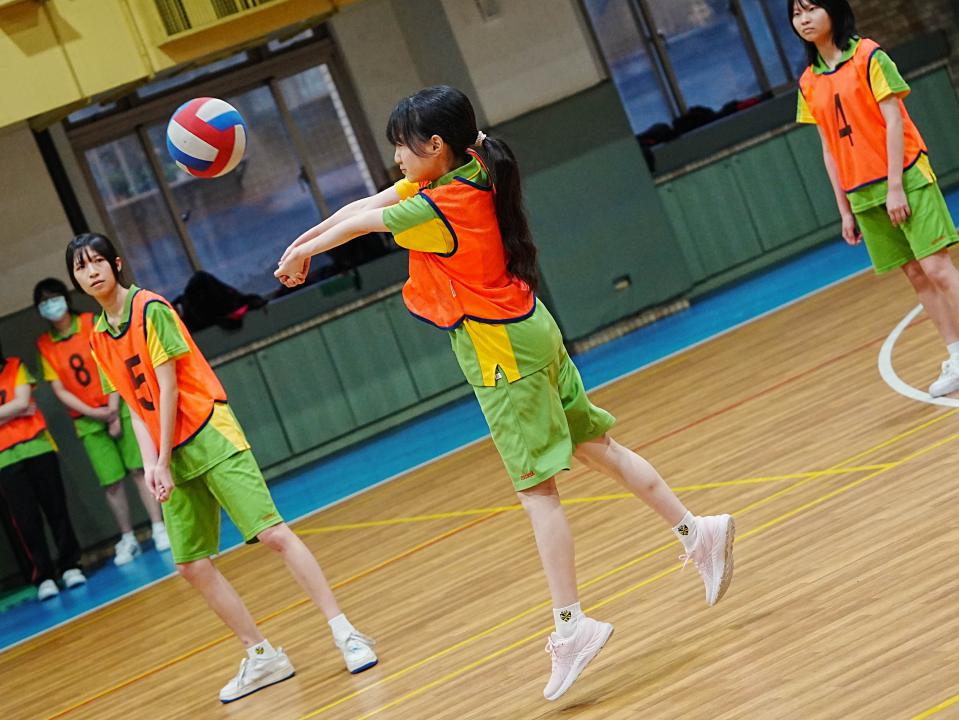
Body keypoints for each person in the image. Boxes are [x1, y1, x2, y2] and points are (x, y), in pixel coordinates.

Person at [276, 85, 735, 702]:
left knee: (537, 491)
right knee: (598, 447)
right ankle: (698, 532)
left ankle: (572, 626)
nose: (397, 160)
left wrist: (305, 253)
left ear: (433, 146)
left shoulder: (436, 208)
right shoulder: (476, 164)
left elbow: (363, 221)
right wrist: (299, 246)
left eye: (402, 148)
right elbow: (367, 203)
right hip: (532, 327)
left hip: (500, 352)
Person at [66, 233, 377, 704]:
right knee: (190, 565)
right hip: (169, 451)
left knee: (272, 533)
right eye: (80, 267)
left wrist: (161, 460)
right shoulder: (96, 336)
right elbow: (134, 405)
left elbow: (168, 388)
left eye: (96, 262)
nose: (90, 272)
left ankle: (345, 632)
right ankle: (262, 655)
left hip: (207, 430)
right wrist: (152, 465)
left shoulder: (150, 309)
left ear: (116, 264)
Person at [792, 0, 959, 396]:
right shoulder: (808, 82)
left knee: (937, 268)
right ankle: (955, 355)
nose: (804, 19)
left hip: (906, 178)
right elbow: (829, 149)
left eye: (811, 9)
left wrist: (896, 185)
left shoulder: (869, 55)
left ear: (833, 10)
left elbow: (894, 120)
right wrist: (844, 209)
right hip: (862, 193)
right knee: (916, 275)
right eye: (796, 14)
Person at [34, 278, 169, 564]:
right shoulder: (45, 344)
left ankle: (159, 526)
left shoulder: (90, 322)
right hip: (87, 420)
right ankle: (128, 537)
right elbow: (59, 389)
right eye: (43, 302)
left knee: (139, 469)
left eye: (53, 298)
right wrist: (94, 413)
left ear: (66, 298)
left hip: (119, 405)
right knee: (111, 482)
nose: (50, 305)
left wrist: (112, 408)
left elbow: (113, 363)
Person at [0, 340, 86, 601]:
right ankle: (44, 577)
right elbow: (19, 406)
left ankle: (71, 565)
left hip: (38, 448)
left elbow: (23, 400)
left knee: (56, 509)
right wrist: (16, 410)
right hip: (5, 459)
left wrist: (15, 409)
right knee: (26, 521)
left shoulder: (15, 367)